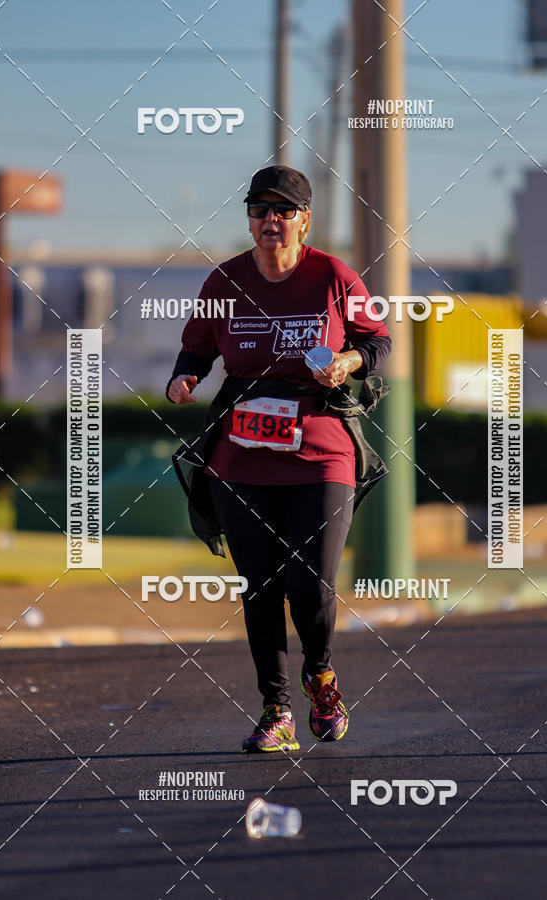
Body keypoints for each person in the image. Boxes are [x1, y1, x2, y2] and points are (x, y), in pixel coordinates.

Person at [167, 165, 391, 753]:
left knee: (310, 582)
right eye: (260, 209)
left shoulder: (333, 277)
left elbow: (378, 341)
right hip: (241, 454)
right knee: (259, 586)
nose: (271, 220)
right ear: (249, 218)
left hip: (321, 449)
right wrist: (184, 378)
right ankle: (276, 712)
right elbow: (196, 346)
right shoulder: (224, 282)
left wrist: (346, 363)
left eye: (283, 211)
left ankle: (320, 675)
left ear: (304, 220)